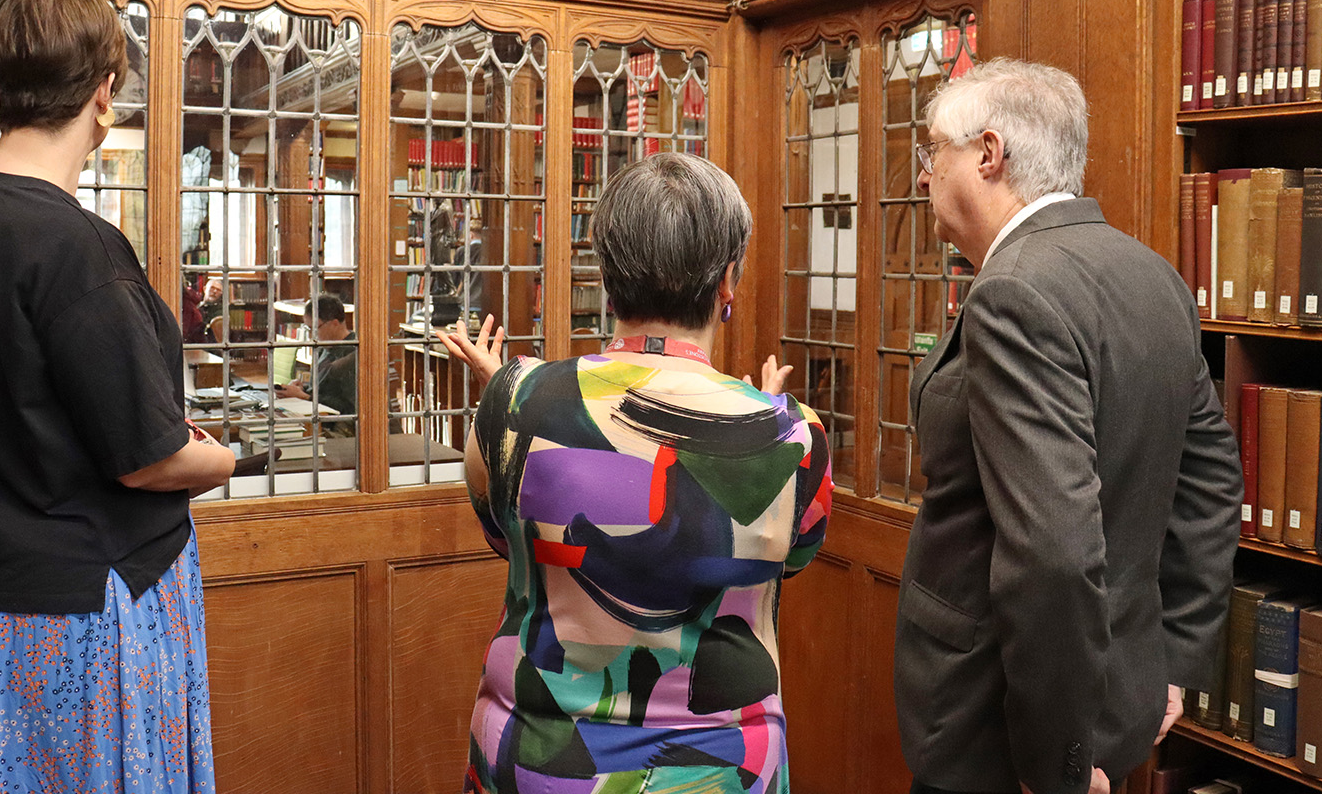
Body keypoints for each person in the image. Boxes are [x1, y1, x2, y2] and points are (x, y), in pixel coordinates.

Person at [0, 0, 236, 793]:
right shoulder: (75, 247)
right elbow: (148, 458)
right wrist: (221, 460)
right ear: (103, 93)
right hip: (78, 623)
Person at [895, 59, 1242, 794]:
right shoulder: (1156, 277)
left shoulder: (1014, 291)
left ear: (989, 155)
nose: (923, 177)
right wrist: (1170, 664)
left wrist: (1055, 761)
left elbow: (1053, 550)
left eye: (933, 153)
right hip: (1119, 703)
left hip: (1008, 731)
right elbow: (1210, 487)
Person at [439, 151, 833, 794]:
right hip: (719, 767)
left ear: (604, 270)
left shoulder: (512, 405)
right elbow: (789, 559)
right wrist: (763, 418)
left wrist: (514, 400)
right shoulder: (796, 436)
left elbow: (504, 527)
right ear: (728, 279)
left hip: (541, 759)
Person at [279, 292, 357, 418]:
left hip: (342, 429)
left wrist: (305, 397)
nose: (311, 336)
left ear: (334, 323)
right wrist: (303, 389)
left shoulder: (354, 355)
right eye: (308, 329)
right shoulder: (322, 348)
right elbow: (325, 391)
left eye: (315, 329)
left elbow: (350, 408)